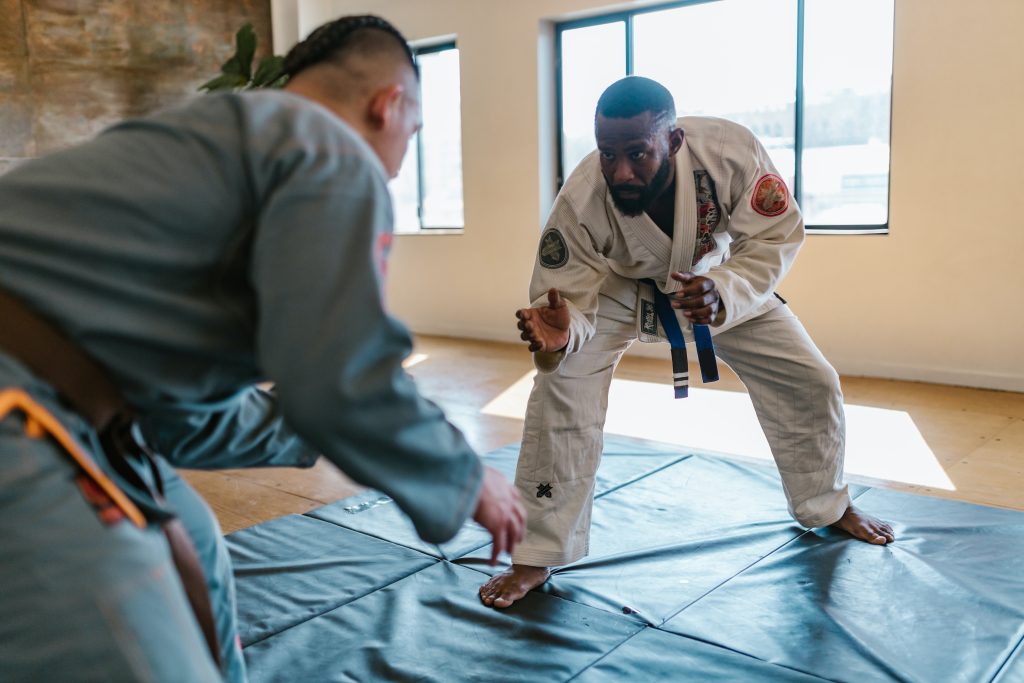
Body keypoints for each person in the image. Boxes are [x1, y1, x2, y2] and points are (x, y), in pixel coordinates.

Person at [0, 14, 523, 682]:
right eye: (413, 134)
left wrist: (313, 429)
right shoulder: (332, 152)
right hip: (21, 407)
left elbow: (182, 422)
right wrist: (466, 474)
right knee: (142, 645)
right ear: (389, 104)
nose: (398, 166)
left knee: (192, 538)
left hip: (75, 407)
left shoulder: (220, 136)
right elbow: (344, 375)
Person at [478, 76, 894, 610]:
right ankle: (534, 553)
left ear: (673, 142)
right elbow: (569, 300)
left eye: (638, 153)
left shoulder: (731, 153)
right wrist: (564, 333)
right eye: (608, 154)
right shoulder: (582, 198)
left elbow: (774, 235)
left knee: (810, 379)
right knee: (560, 384)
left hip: (713, 283)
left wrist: (726, 291)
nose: (621, 171)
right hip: (619, 292)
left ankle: (828, 505)